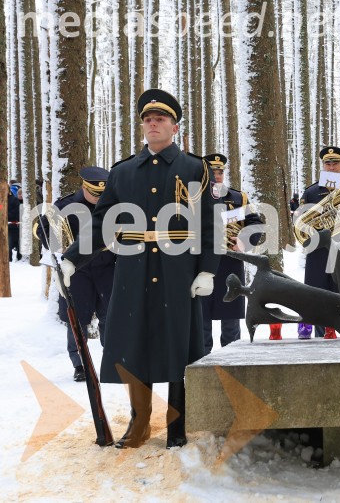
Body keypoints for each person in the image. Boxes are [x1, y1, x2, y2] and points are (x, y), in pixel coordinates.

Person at [62, 88, 220, 449]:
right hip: (132, 271)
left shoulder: (195, 168)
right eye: (148, 119)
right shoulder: (122, 173)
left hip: (179, 271)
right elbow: (102, 226)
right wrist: (73, 257)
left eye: (161, 119)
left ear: (175, 128)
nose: (153, 123)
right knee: (134, 343)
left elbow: (209, 225)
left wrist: (207, 270)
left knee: (178, 344)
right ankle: (140, 424)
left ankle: (177, 425)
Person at [37, 167, 116, 382]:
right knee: (78, 319)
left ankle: (111, 362)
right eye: (94, 194)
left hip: (107, 268)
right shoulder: (64, 205)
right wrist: (58, 245)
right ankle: (80, 364)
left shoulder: (114, 205)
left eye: (103, 195)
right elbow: (42, 229)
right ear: (84, 187)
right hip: (78, 271)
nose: (99, 199)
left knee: (110, 316)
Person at [292, 146, 340, 340]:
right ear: (323, 166)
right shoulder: (310, 192)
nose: (331, 167)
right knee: (317, 291)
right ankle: (319, 333)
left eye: (335, 163)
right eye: (328, 163)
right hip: (319, 250)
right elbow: (300, 222)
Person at [201, 153, 263, 353]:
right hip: (201, 264)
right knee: (201, 321)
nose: (217, 176)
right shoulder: (193, 197)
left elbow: (255, 222)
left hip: (230, 264)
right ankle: (201, 365)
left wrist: (243, 241)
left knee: (231, 322)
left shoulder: (238, 198)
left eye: (220, 172)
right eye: (213, 172)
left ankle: (232, 361)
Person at [7, 182, 21, 261]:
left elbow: (16, 212)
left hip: (12, 226)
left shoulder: (14, 200)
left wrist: (4, 214)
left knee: (9, 244)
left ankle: (9, 260)